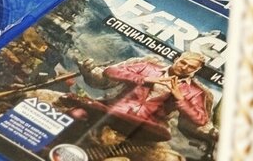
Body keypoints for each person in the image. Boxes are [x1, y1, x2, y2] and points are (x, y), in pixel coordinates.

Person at [70, 51, 213, 159]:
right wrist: (143, 79)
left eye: (191, 67)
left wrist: (180, 98)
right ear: (177, 59)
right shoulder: (148, 67)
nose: (184, 68)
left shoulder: (195, 91)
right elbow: (110, 71)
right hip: (113, 110)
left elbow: (200, 119)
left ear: (196, 71)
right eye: (183, 62)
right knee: (76, 116)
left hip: (147, 128)